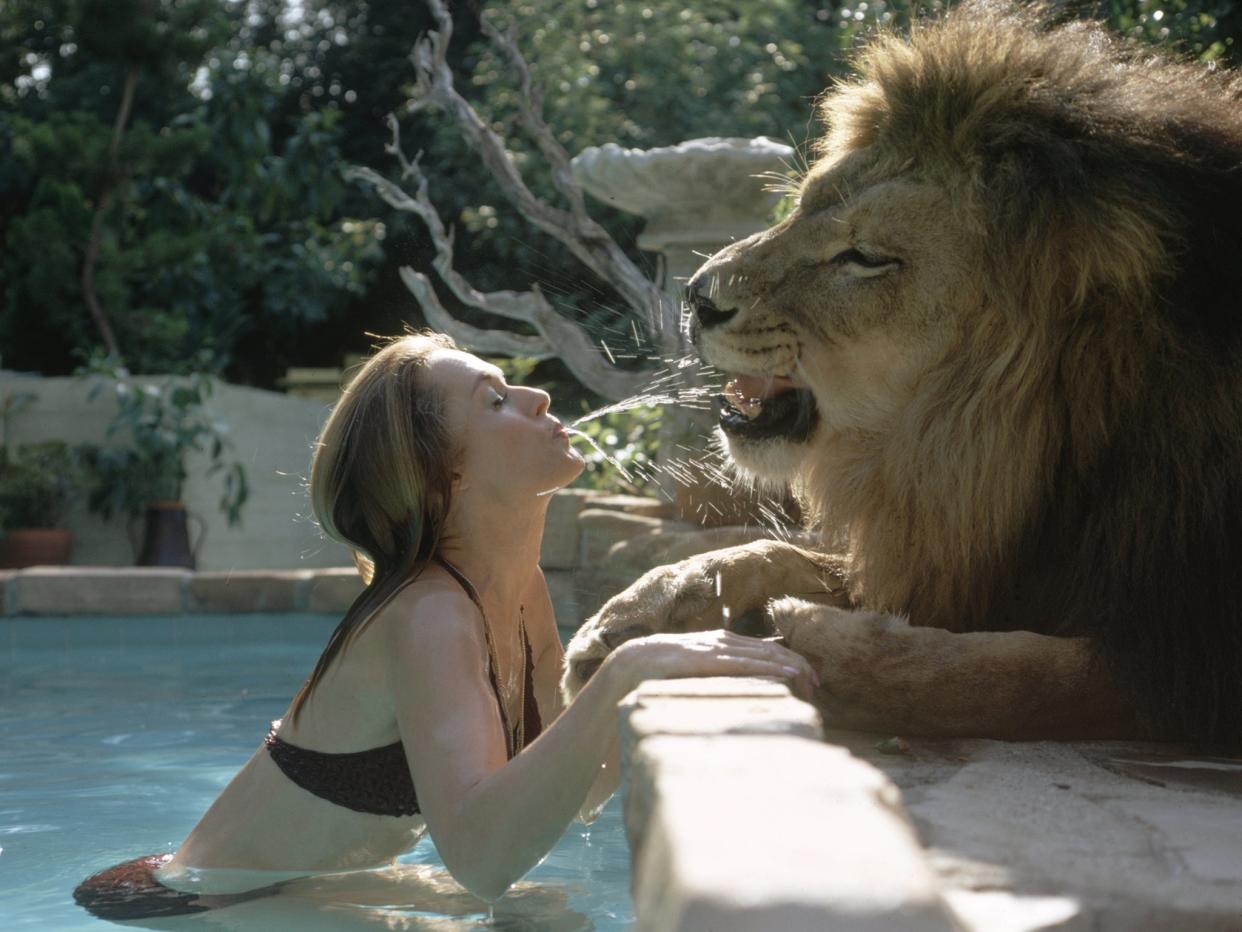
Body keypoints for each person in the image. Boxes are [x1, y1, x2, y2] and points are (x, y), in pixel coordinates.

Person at [74, 331, 818, 920]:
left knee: (547, 915)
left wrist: (682, 667)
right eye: (494, 401)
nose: (536, 395)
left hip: (291, 890)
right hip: (196, 905)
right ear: (444, 476)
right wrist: (627, 672)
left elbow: (579, 790)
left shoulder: (514, 588)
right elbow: (482, 858)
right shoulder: (430, 614)